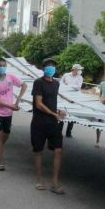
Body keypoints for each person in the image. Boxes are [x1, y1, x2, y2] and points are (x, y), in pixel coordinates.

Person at [31, 58, 67, 194]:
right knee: (38, 151)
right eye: (48, 66)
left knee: (58, 150)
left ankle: (55, 182)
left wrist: (58, 111)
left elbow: (52, 102)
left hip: (53, 122)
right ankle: (39, 179)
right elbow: (38, 103)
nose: (50, 68)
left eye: (52, 66)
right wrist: (53, 113)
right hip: (39, 122)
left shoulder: (56, 84)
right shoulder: (38, 83)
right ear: (43, 68)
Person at [0, 58, 27, 171]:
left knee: (6, 134)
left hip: (8, 113)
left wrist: (18, 99)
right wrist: (10, 106)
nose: (2, 67)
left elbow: (24, 85)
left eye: (4, 65)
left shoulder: (11, 77)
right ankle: (1, 162)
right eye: (0, 65)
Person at [62, 63, 83, 138]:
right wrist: (66, 86)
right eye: (79, 69)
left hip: (75, 97)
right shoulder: (66, 75)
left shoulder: (80, 77)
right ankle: (59, 130)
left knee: (72, 113)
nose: (80, 71)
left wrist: (67, 85)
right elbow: (61, 84)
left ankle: (68, 132)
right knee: (63, 111)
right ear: (74, 69)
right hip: (65, 96)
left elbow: (78, 87)